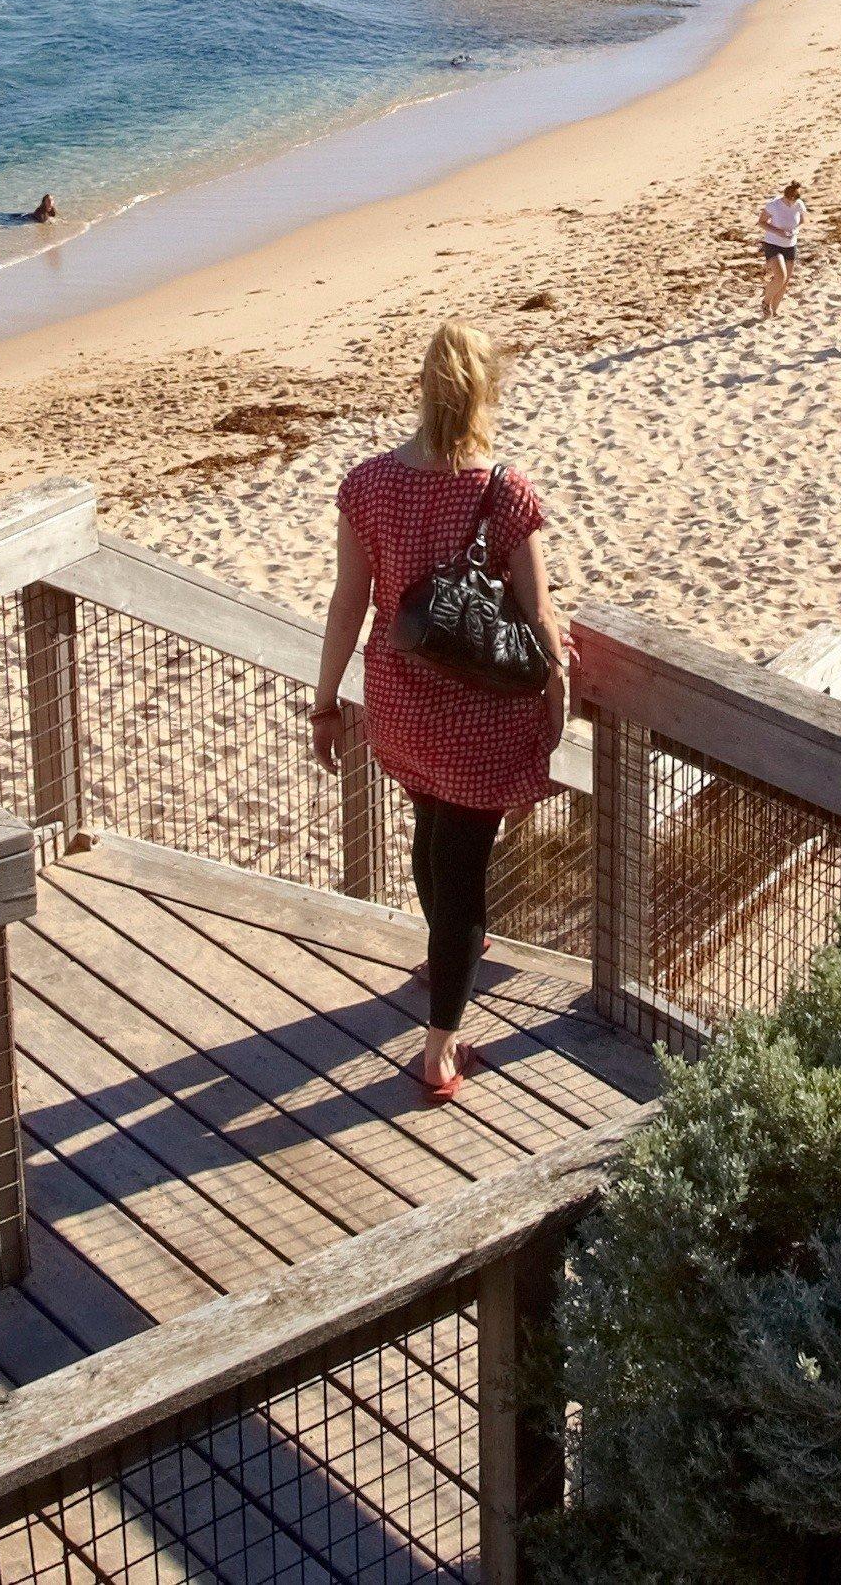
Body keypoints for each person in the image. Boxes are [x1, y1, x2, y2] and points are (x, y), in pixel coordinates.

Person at [309, 326, 572, 1100]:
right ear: (487, 392)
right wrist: (558, 687)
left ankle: (445, 955)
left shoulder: (368, 487)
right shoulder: (506, 491)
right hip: (479, 718)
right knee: (460, 872)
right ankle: (439, 1053)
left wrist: (326, 703)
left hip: (399, 705)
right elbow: (538, 607)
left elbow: (346, 606)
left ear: (422, 389)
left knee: (432, 841)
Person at [755, 181, 808, 317]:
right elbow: (761, 222)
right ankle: (766, 302)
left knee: (785, 282)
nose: (794, 202)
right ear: (787, 197)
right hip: (773, 244)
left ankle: (775, 310)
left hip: (790, 245)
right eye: (792, 199)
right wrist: (777, 232)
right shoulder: (774, 205)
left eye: (797, 199)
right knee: (780, 277)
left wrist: (796, 229)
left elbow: (803, 221)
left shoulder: (799, 204)